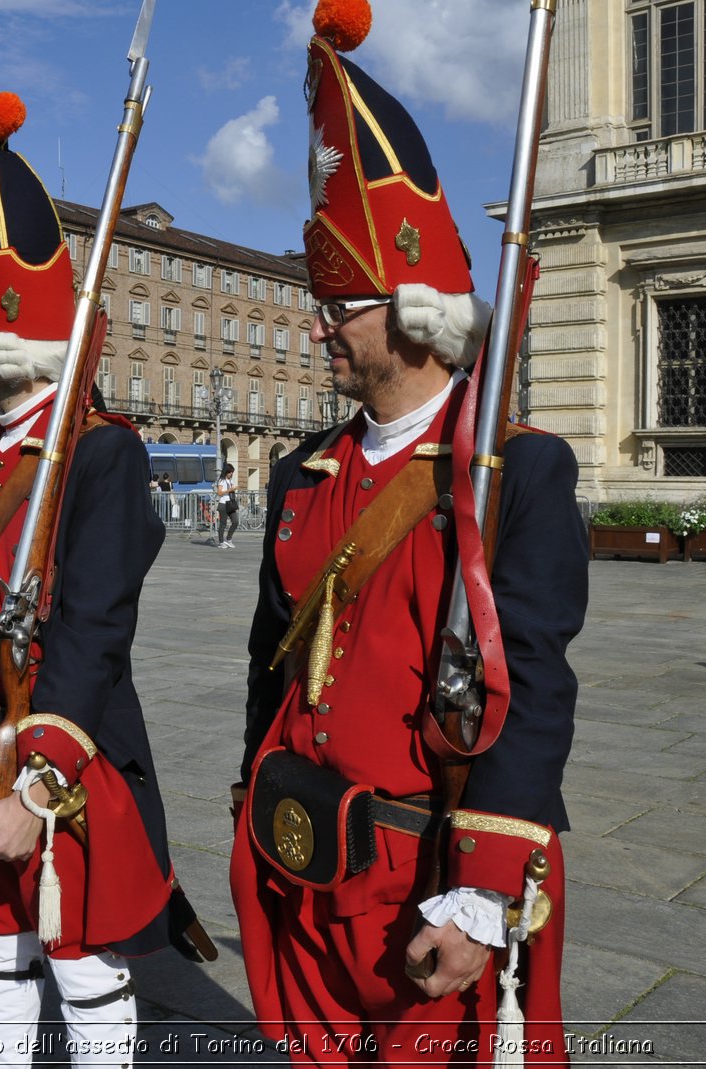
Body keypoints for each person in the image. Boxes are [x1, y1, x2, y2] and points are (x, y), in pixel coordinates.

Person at [230, 4, 588, 1063]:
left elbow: (533, 676)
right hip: (305, 849)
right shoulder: (306, 472)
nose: (317, 327)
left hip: (430, 866)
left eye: (339, 304)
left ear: (411, 311)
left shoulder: (515, 467)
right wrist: (253, 794)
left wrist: (479, 895)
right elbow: (270, 653)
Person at [0, 93, 183, 1067]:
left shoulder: (98, 454)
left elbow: (95, 624)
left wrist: (37, 784)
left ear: (10, 338)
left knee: (80, 957)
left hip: (57, 752)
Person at [213, 464, 237, 548]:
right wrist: (229, 490)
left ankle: (229, 538)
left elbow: (230, 491)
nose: (231, 474)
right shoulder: (221, 481)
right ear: (226, 472)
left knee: (235, 521)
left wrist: (233, 490)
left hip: (230, 503)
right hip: (223, 504)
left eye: (232, 472)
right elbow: (219, 493)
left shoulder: (231, 481)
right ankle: (221, 542)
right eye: (230, 472)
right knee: (223, 523)